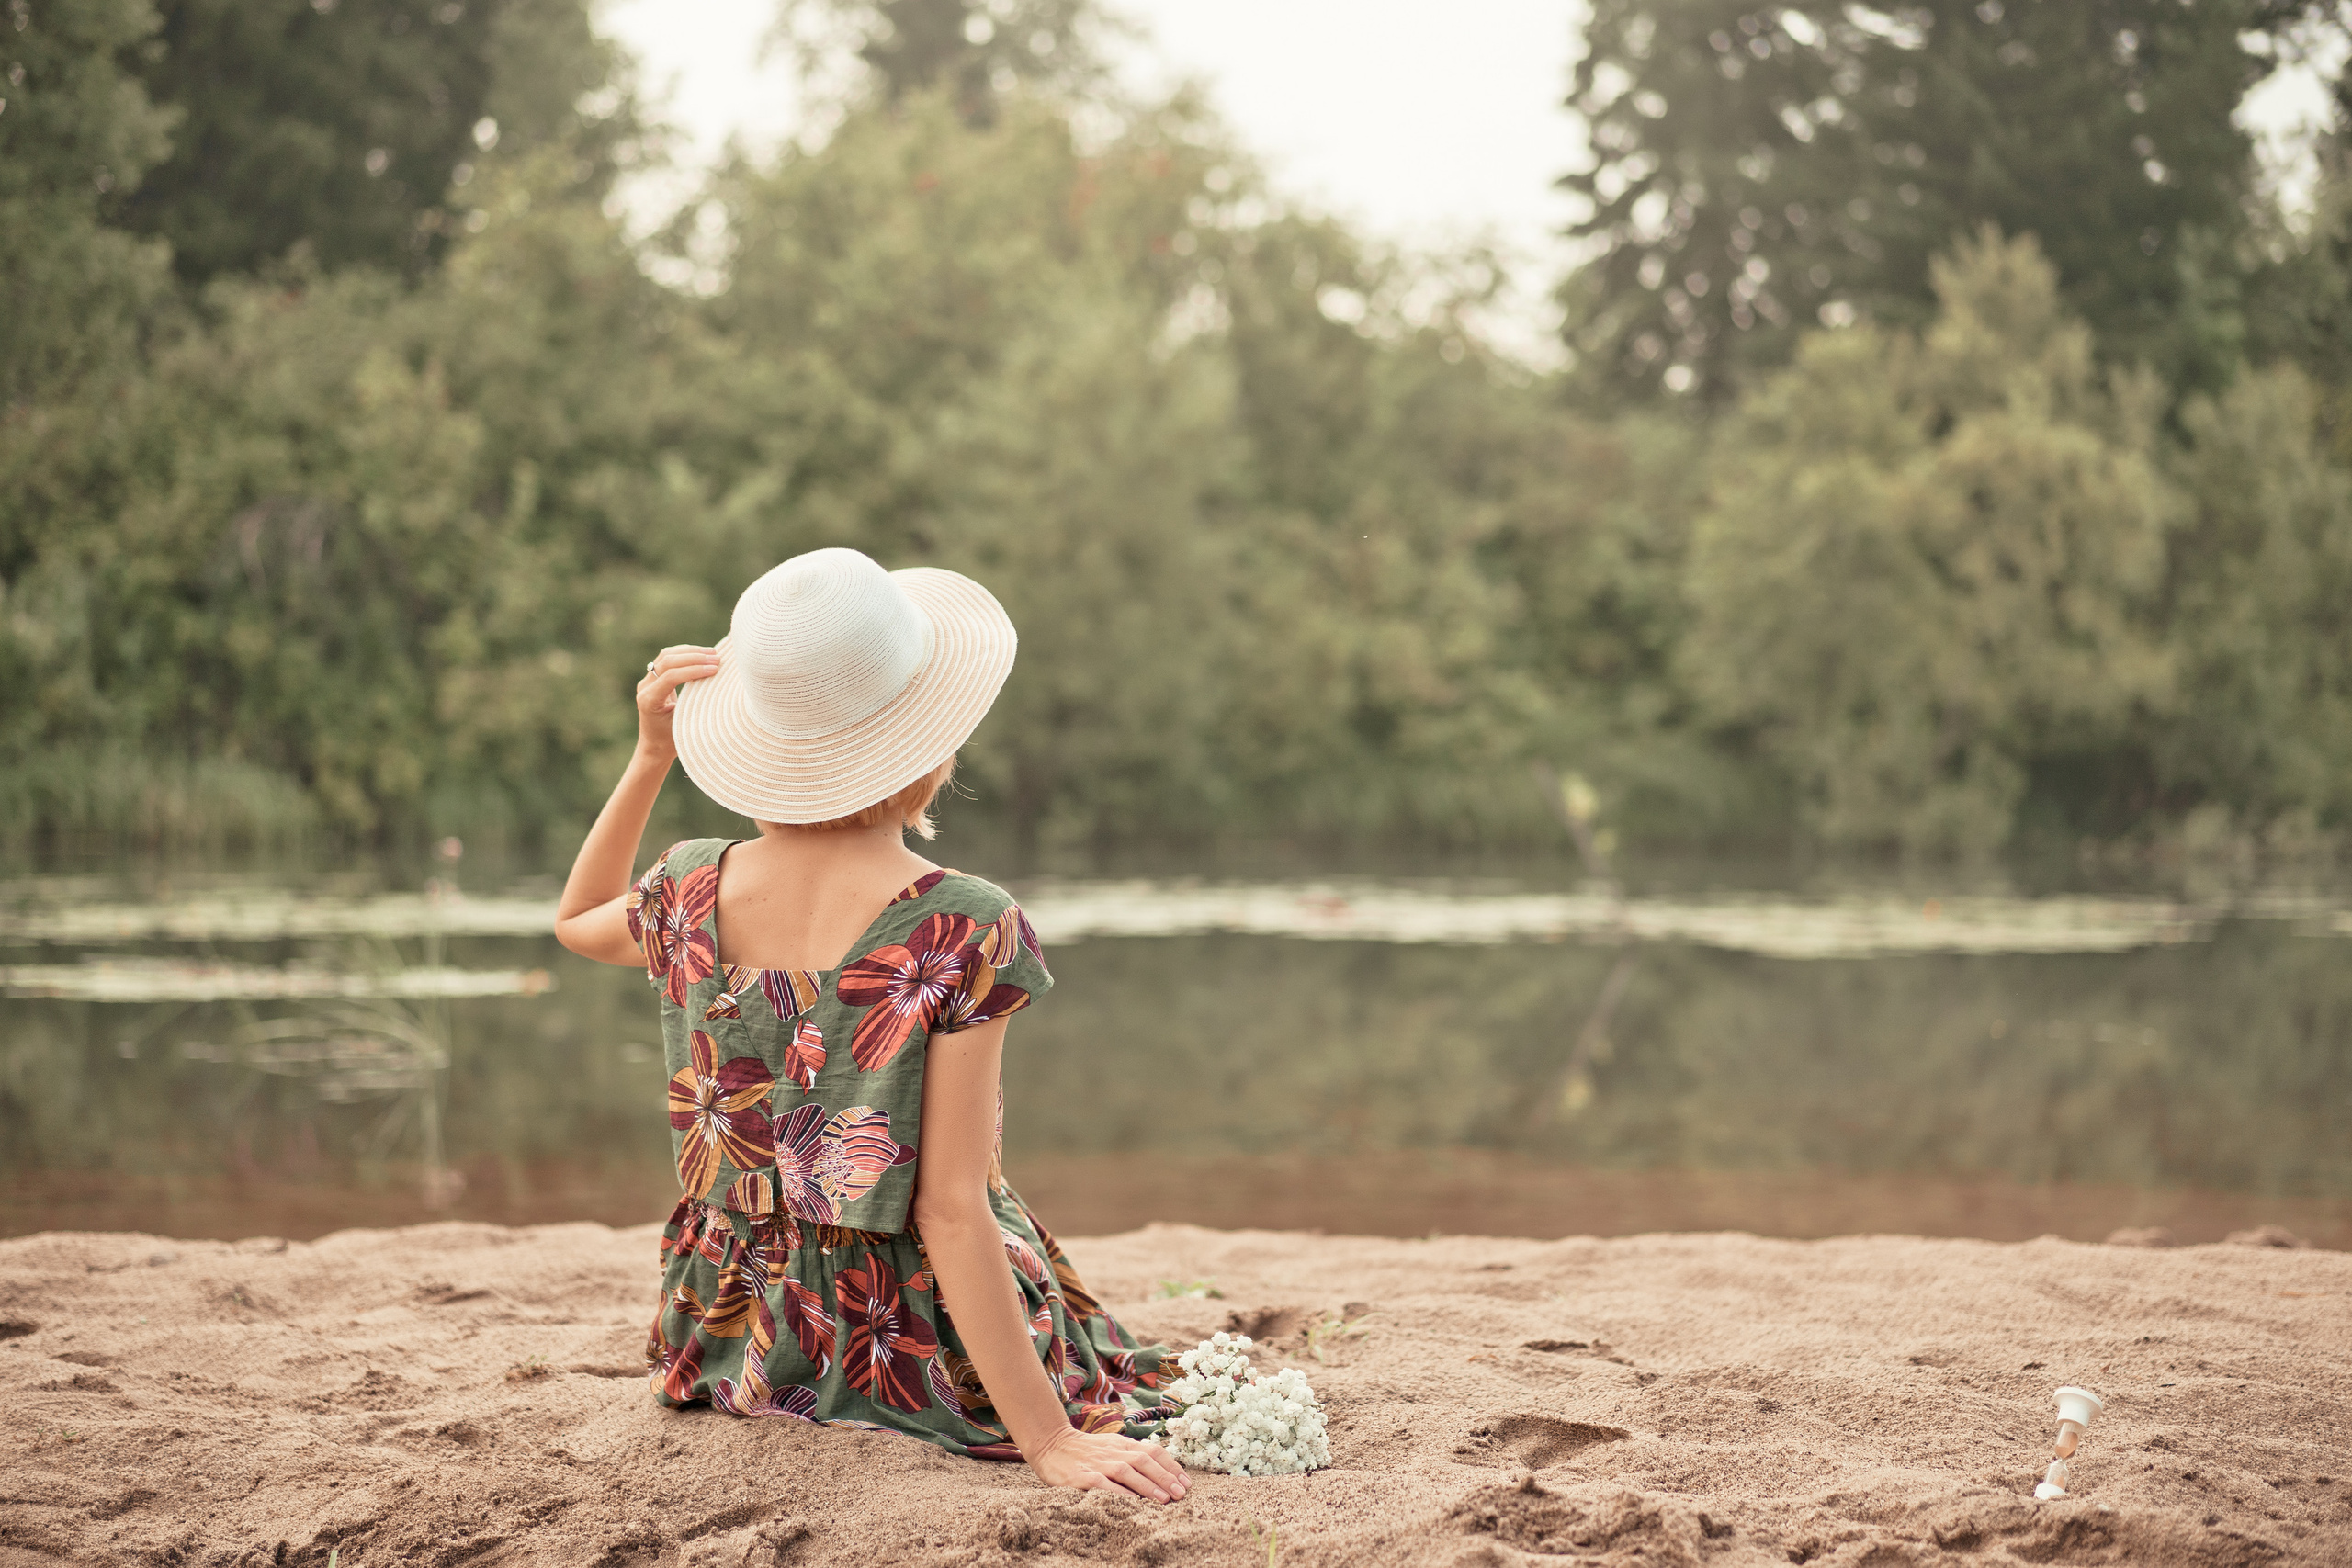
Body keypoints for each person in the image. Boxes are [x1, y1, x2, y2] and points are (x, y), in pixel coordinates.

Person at [553, 547, 1189, 1503]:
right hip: (906, 1334)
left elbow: (575, 919)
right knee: (1068, 1315)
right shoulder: (964, 922)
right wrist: (1051, 1441)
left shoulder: (685, 886)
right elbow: (946, 1209)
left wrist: (648, 757)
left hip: (729, 1330)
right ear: (932, 743)